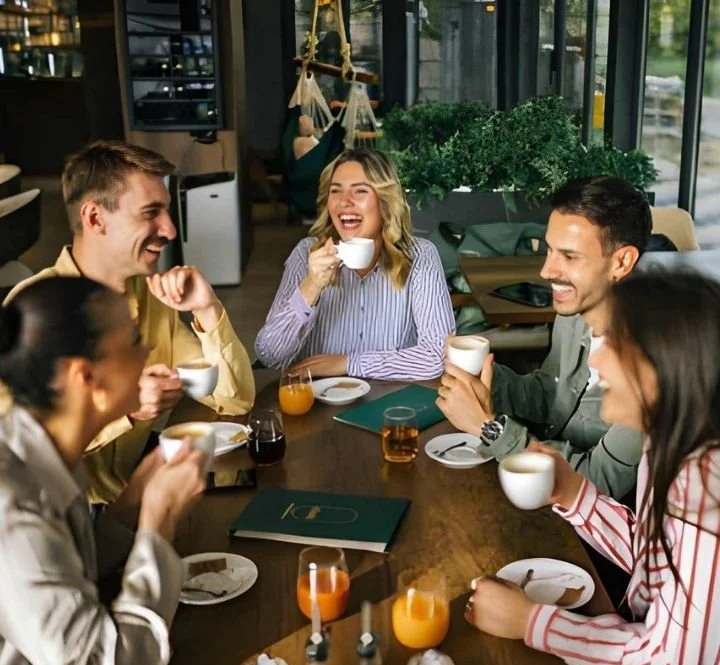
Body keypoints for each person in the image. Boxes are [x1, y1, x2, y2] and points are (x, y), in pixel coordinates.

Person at [466, 270, 720, 665]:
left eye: (612, 346)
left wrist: (532, 623)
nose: (596, 362)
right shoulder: (669, 443)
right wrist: (572, 492)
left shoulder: (705, 486)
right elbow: (657, 560)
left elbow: (671, 662)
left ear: (661, 367)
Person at [0, 276, 206, 665]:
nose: (147, 352)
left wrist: (131, 505)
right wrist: (158, 525)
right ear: (87, 377)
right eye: (133, 340)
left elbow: (64, 567)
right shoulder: (10, 510)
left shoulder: (40, 442)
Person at [5, 140, 255, 504]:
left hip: (134, 499)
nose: (169, 230)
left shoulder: (152, 296)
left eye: (166, 212)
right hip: (63, 520)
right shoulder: (34, 313)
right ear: (95, 218)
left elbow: (234, 401)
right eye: (150, 212)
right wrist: (127, 410)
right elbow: (18, 456)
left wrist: (207, 309)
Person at [437, 176, 651, 499]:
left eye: (569, 256)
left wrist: (489, 426)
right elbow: (550, 396)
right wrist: (485, 377)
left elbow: (599, 485)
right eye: (549, 250)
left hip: (604, 536)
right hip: (543, 499)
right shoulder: (575, 313)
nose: (546, 271)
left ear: (621, 262)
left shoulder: (655, 361)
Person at [255, 148, 454, 380]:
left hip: (389, 405)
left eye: (360, 191)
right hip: (316, 401)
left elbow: (438, 356)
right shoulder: (306, 254)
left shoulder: (420, 256)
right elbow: (269, 355)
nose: (344, 202)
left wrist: (348, 363)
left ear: (385, 201)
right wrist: (311, 286)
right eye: (335, 191)